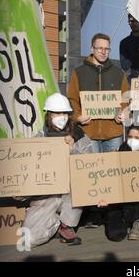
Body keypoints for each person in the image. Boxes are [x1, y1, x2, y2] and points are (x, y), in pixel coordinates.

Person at [67, 32, 127, 227]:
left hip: (113, 133)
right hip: (89, 133)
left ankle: (111, 215)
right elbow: (72, 100)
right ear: (92, 49)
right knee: (91, 174)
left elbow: (126, 100)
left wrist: (122, 113)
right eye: (100, 48)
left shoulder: (118, 73)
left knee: (111, 174)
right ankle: (92, 214)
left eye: (107, 48)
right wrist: (77, 117)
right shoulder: (79, 72)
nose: (103, 51)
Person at [21, 93, 94, 247]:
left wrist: (73, 149)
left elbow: (90, 165)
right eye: (57, 113)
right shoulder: (38, 139)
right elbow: (28, 171)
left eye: (65, 113)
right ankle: (54, 223)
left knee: (78, 186)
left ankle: (66, 225)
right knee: (30, 239)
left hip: (70, 193)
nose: (62, 117)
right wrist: (20, 194)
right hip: (47, 194)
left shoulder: (79, 135)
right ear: (49, 115)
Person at [97, 125, 139, 241]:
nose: (133, 140)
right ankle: (120, 219)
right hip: (120, 202)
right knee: (116, 234)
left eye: (137, 137)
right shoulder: (120, 151)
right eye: (130, 137)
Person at [120, 14, 139, 84]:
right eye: (131, 21)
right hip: (135, 80)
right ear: (129, 23)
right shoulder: (124, 43)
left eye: (136, 21)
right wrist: (138, 50)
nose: (134, 23)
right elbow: (125, 66)